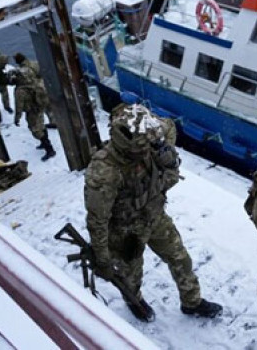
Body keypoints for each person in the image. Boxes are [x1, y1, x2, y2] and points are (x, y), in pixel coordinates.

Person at [84, 103, 222, 322]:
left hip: (154, 215)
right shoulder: (105, 172)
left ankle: (192, 301)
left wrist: (167, 151)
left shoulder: (151, 134)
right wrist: (103, 259)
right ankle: (134, 300)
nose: (146, 151)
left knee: (180, 259)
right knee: (131, 277)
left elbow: (169, 128)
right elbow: (97, 220)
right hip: (126, 231)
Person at [8, 65, 56, 161]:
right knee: (41, 125)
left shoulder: (20, 91)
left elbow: (19, 107)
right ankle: (44, 144)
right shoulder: (33, 82)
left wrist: (17, 118)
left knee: (35, 130)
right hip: (39, 107)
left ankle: (50, 149)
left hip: (32, 111)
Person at [13, 53, 55, 128]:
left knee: (39, 107)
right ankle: (54, 121)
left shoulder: (21, 70)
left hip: (36, 91)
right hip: (43, 87)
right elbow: (42, 73)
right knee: (49, 106)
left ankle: (41, 127)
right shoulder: (34, 63)